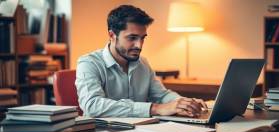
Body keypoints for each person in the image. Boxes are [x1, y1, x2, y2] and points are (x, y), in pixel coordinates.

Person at [75, 5, 208, 118]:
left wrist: (184, 103)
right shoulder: (88, 63)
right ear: (112, 35)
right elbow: (92, 105)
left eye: (142, 38)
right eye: (132, 38)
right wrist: (154, 109)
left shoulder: (143, 63)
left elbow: (161, 95)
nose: (139, 45)